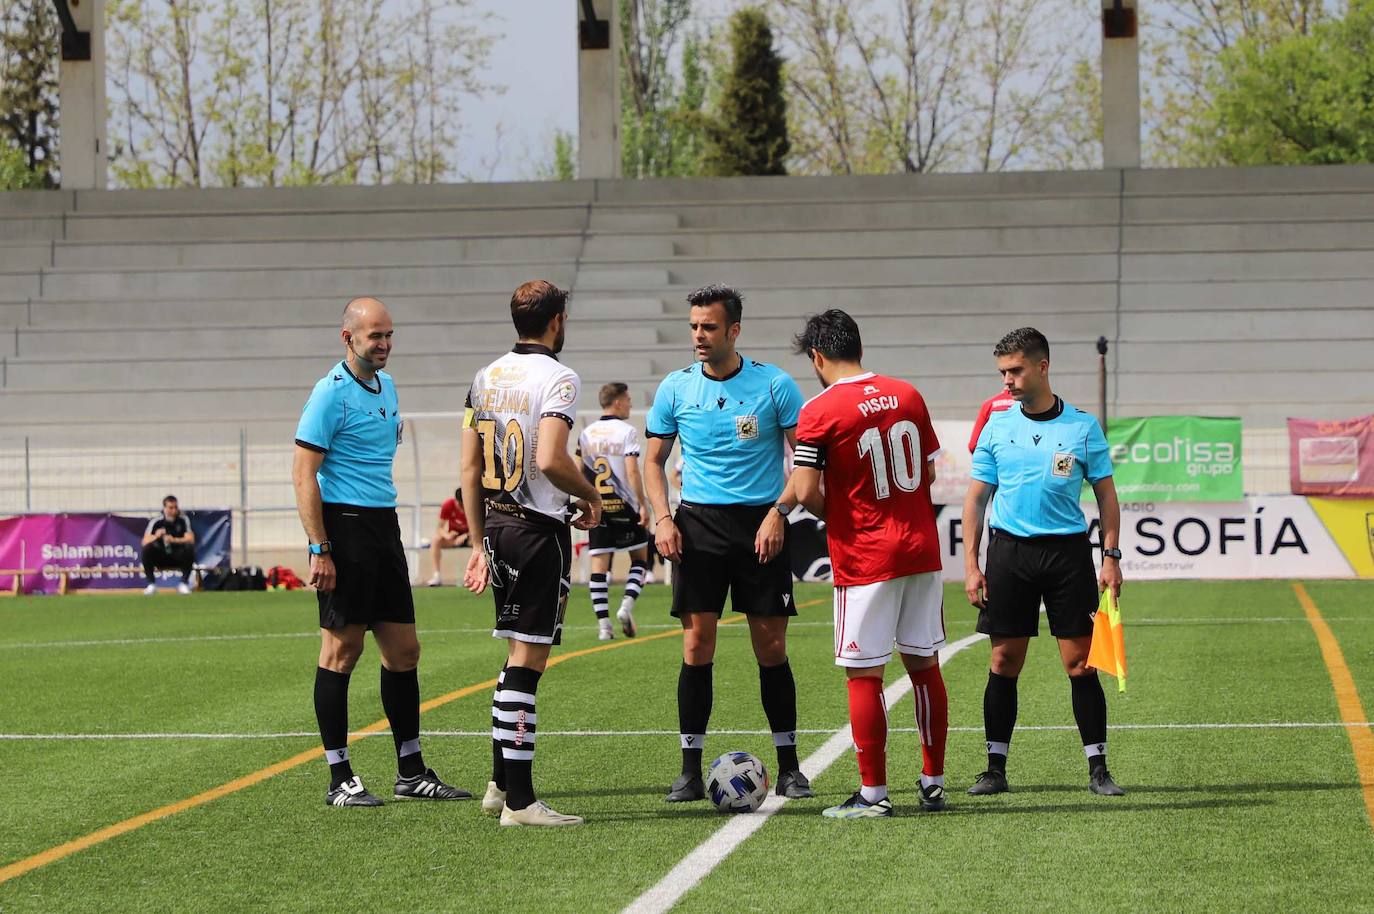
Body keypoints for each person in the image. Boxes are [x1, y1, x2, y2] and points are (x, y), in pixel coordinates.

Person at [293, 296, 470, 808]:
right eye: (376, 336)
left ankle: (410, 770)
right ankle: (338, 776)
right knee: (341, 652)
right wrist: (319, 547)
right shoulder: (329, 394)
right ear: (348, 338)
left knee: (404, 651)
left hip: (382, 528)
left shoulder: (387, 386)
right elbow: (304, 474)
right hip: (343, 531)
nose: (386, 344)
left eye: (389, 335)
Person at [644, 283, 815, 803]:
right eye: (694, 326)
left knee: (771, 647)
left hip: (761, 526)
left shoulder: (775, 385)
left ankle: (789, 768)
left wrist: (779, 513)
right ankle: (690, 771)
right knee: (697, 646)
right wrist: (662, 518)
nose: (699, 335)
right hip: (698, 527)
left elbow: (806, 462)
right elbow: (651, 460)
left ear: (734, 330)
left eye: (709, 326)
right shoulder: (675, 388)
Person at [790, 310, 950, 818]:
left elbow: (807, 491)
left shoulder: (818, 411)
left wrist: (842, 516)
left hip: (866, 555)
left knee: (864, 674)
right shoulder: (907, 393)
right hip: (920, 546)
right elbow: (927, 471)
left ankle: (873, 794)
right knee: (924, 665)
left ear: (817, 356)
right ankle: (933, 780)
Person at [461, 280, 602, 827]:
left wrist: (477, 542)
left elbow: (469, 468)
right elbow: (550, 458)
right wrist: (590, 495)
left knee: (515, 653)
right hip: (538, 531)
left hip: (497, 523)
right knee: (529, 660)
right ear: (558, 320)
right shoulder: (560, 378)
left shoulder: (485, 375)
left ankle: (500, 784)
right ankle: (521, 803)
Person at [962, 327, 1125, 797]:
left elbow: (1107, 497)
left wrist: (1110, 557)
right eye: (1002, 373)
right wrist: (972, 565)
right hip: (1009, 553)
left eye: (1014, 370)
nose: (1007, 381)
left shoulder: (1082, 426)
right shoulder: (997, 425)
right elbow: (975, 501)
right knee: (1003, 659)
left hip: (1067, 555)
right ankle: (995, 768)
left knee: (1081, 665)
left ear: (1042, 366)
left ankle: (1098, 769)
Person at [578, 382, 652, 640]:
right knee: (641, 560)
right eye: (628, 399)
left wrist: (583, 502)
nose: (631, 403)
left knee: (599, 566)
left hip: (597, 506)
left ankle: (604, 627)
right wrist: (642, 504)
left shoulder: (587, 432)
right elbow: (631, 471)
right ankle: (626, 606)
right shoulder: (627, 431)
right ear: (618, 402)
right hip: (624, 505)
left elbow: (579, 472)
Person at [141, 495, 196, 595]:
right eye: (171, 508)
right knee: (146, 549)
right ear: (165, 508)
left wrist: (174, 540)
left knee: (189, 548)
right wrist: (156, 536)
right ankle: (151, 584)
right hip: (161, 557)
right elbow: (144, 541)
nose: (174, 510)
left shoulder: (183, 520)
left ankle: (183, 583)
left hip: (177, 556)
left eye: (175, 507)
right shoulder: (156, 522)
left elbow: (190, 539)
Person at [424, 489, 471, 586]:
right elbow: (439, 528)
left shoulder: (472, 505)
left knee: (481, 542)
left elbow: (480, 527)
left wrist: (465, 536)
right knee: (436, 540)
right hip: (453, 538)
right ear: (456, 501)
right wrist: (448, 535)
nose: (462, 508)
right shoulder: (448, 505)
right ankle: (436, 575)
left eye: (464, 505)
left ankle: (479, 575)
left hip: (470, 537)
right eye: (460, 505)